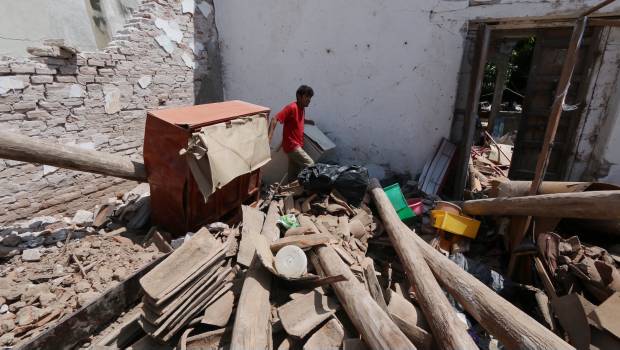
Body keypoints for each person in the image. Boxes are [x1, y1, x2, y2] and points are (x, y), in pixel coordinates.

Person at [268, 85, 315, 182]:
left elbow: (297, 120)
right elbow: (274, 119)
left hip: (297, 145)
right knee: (311, 164)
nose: (309, 100)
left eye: (310, 97)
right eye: (307, 97)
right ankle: (310, 189)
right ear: (299, 96)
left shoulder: (302, 108)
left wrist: (308, 121)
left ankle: (290, 195)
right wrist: (269, 137)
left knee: (293, 174)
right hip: (292, 145)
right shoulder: (291, 107)